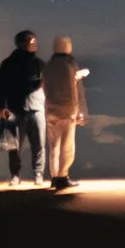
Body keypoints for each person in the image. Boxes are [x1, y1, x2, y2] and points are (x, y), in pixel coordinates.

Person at [0, 30, 46, 186]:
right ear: (21, 43)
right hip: (16, 109)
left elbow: (47, 85)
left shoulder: (40, 63)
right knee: (14, 145)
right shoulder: (9, 64)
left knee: (39, 143)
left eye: (35, 41)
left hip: (37, 107)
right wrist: (2, 107)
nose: (34, 44)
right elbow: (0, 87)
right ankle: (15, 175)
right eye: (31, 41)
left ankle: (38, 174)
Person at [41, 35, 87, 189]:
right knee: (67, 145)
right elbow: (76, 91)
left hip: (50, 109)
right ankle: (62, 176)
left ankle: (54, 176)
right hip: (68, 109)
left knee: (54, 145)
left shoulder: (48, 66)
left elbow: (43, 87)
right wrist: (81, 111)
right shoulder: (70, 65)